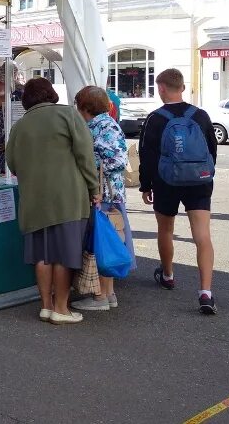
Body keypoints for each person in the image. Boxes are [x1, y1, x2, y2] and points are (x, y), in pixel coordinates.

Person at [6, 78, 99, 325]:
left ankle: (46, 306)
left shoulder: (20, 124)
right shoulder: (68, 114)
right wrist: (94, 187)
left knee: (42, 256)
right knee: (64, 255)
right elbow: (85, 155)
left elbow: (12, 163)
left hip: (33, 199)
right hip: (67, 197)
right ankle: (61, 308)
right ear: (51, 94)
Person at [139, 68, 218, 314]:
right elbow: (211, 151)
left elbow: (146, 155)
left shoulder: (155, 118)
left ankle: (168, 274)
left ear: (161, 88)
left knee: (166, 229)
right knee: (202, 235)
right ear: (182, 88)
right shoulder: (201, 116)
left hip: (166, 180)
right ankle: (205, 292)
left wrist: (145, 185)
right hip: (199, 180)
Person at [71, 86, 136, 312]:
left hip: (104, 195)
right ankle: (108, 294)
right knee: (107, 241)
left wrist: (91, 166)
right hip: (110, 194)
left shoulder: (101, 127)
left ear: (85, 107)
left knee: (102, 243)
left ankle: (101, 296)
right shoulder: (106, 124)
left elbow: (117, 161)